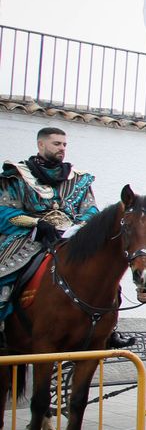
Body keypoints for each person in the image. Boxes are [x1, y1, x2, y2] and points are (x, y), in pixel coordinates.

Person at [0, 127, 98, 323]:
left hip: (70, 238)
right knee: (5, 273)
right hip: (29, 236)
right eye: (56, 144)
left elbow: (91, 209)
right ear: (41, 144)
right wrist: (37, 223)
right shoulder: (17, 176)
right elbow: (4, 210)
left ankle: (107, 327)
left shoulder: (78, 179)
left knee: (100, 271)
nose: (62, 148)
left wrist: (79, 226)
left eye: (64, 144)